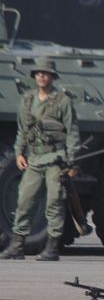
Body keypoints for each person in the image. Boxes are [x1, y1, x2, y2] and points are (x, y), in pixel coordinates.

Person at [1, 58, 79, 261]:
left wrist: (71, 161)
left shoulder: (62, 101)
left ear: (52, 76)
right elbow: (22, 131)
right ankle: (17, 246)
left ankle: (52, 248)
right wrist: (19, 153)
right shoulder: (27, 100)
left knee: (54, 203)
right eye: (38, 73)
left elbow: (72, 132)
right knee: (24, 201)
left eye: (45, 73)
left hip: (56, 159)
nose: (42, 76)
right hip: (34, 159)